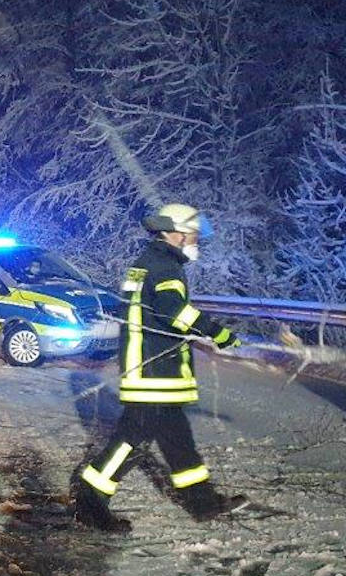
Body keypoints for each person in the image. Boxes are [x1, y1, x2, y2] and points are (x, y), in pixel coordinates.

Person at [72, 204, 244, 532]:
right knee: (130, 439)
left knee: (178, 440)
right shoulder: (164, 267)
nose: (195, 241)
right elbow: (174, 312)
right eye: (193, 235)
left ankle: (203, 503)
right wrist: (218, 333)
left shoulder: (147, 263)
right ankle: (90, 502)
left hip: (154, 370)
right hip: (153, 373)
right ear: (175, 234)